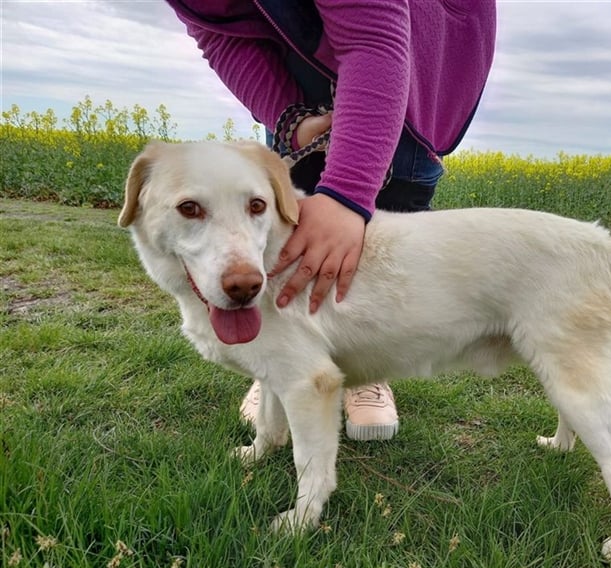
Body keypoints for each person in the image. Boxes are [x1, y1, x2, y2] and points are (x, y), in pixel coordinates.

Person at [165, 0, 496, 440]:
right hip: (294, 56)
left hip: (412, 47)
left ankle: (368, 364)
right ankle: (282, 356)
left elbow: (373, 34)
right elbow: (220, 32)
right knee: (288, 225)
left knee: (392, 210)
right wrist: (291, 118)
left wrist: (346, 194)